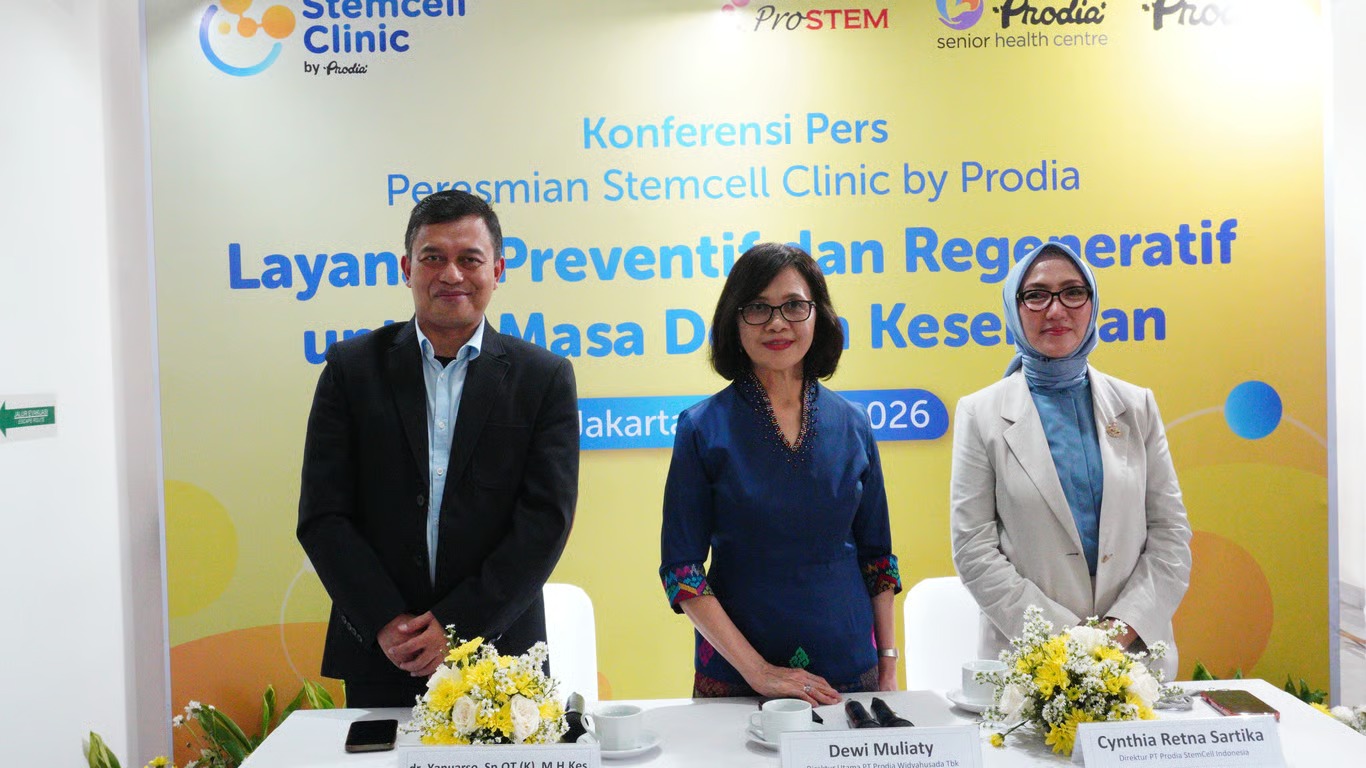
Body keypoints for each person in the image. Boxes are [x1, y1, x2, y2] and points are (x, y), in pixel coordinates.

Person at [297, 190, 579, 707]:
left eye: (469, 259)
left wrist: (457, 627)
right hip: (385, 651)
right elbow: (324, 515)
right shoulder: (350, 370)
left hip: (498, 652)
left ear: (497, 270)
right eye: (433, 257)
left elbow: (545, 521)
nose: (451, 275)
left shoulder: (543, 378)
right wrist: (387, 622)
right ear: (407, 268)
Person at [659, 243, 901, 705]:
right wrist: (761, 672)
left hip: (850, 672)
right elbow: (682, 572)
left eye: (793, 305)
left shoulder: (854, 424)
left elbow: (879, 560)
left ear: (818, 316)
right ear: (734, 321)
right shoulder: (701, 428)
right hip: (736, 680)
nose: (776, 322)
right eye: (757, 307)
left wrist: (888, 666)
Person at [950, 242, 1191, 681]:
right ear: (1014, 309)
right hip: (1030, 663)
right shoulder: (980, 413)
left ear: (1092, 303)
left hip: (1134, 658)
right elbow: (973, 550)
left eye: (1073, 292)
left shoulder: (1136, 406)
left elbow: (1170, 535)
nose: (1056, 310)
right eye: (1036, 295)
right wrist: (1070, 641)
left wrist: (1118, 632)